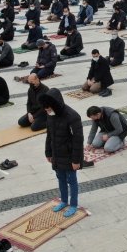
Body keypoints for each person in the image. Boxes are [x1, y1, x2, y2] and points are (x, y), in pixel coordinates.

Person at [40, 88, 84, 218]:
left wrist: (76, 160)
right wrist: (48, 152)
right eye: (46, 110)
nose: (47, 112)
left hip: (70, 155)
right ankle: (64, 201)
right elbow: (49, 134)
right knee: (61, 179)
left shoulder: (73, 116)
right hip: (57, 154)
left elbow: (78, 140)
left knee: (72, 180)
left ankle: (73, 204)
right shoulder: (50, 114)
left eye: (49, 109)